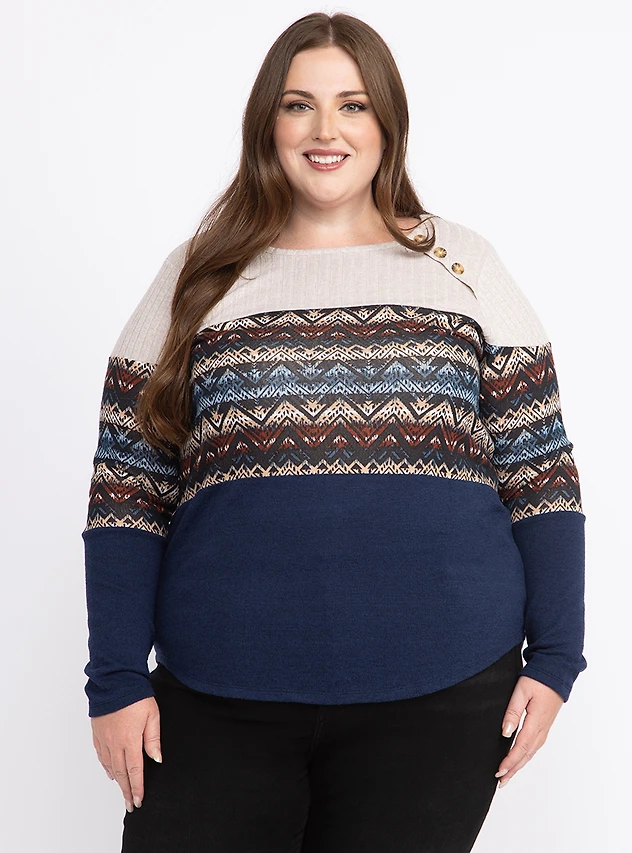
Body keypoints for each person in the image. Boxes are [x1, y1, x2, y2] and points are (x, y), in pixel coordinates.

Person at [82, 11, 587, 853]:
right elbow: (127, 489)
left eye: (353, 105)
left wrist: (558, 657)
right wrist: (116, 679)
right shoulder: (197, 274)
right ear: (267, 123)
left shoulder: (464, 266)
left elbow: (541, 472)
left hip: (444, 693)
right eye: (299, 105)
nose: (326, 130)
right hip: (217, 693)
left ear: (387, 122)